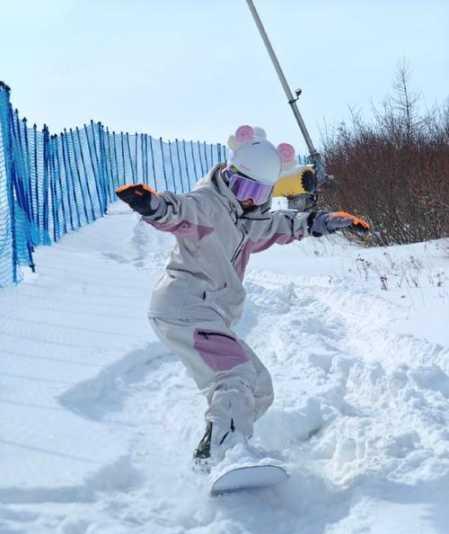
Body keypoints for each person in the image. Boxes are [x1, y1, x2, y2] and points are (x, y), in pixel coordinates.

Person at [115, 125, 369, 467]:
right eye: (241, 185)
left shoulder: (249, 221)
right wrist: (151, 205)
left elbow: (282, 224)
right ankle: (227, 457)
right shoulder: (208, 204)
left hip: (205, 313)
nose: (248, 197)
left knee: (259, 388)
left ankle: (212, 451)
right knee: (233, 378)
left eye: (257, 191)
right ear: (229, 175)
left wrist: (322, 221)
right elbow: (177, 211)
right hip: (184, 305)